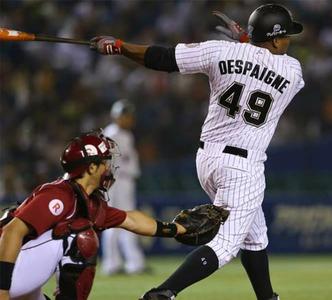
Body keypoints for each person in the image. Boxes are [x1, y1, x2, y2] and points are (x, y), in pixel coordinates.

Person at [90, 3, 305, 300]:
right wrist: (247, 42)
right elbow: (262, 63)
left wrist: (120, 47)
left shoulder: (220, 52)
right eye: (286, 36)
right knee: (227, 244)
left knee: (255, 237)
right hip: (242, 166)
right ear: (276, 38)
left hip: (207, 161)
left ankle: (268, 298)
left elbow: (162, 58)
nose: (289, 41)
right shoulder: (293, 70)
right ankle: (162, 293)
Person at [0, 130, 187, 300]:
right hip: (5, 276)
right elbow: (11, 232)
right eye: (105, 162)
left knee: (77, 232)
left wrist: (178, 229)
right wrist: (3, 291)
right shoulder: (58, 195)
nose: (109, 167)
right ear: (91, 168)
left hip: (22, 279)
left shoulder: (90, 202)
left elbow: (131, 220)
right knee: (80, 236)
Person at [101, 99, 146, 275]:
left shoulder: (126, 135)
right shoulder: (112, 133)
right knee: (117, 221)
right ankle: (116, 264)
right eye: (126, 115)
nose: (129, 119)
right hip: (116, 182)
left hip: (126, 181)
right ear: (117, 116)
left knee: (123, 221)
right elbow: (106, 162)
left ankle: (129, 262)